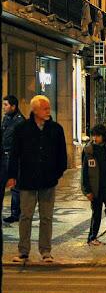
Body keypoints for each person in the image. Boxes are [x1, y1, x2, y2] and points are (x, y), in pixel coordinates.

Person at [7, 96, 67, 263]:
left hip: (48, 181)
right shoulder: (22, 129)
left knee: (46, 217)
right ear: (34, 110)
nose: (48, 111)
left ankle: (46, 250)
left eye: (49, 108)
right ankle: (23, 250)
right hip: (27, 180)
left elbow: (62, 155)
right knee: (25, 216)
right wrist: (12, 176)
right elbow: (14, 154)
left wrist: (57, 173)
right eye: (45, 109)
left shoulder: (56, 129)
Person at [2, 95, 25, 223]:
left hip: (13, 157)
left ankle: (15, 214)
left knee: (15, 187)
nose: (4, 107)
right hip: (4, 156)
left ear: (13, 106)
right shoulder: (6, 119)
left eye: (6, 105)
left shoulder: (20, 122)